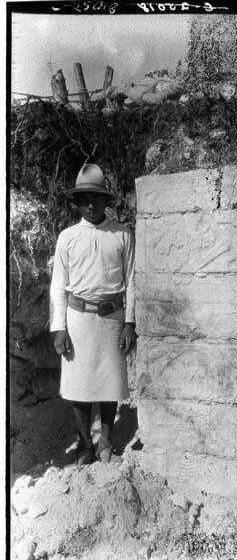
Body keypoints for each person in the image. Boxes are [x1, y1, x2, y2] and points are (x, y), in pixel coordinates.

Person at [49, 163, 137, 464]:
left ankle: (105, 441)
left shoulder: (122, 234)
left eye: (96, 198)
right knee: (79, 383)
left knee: (109, 382)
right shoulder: (67, 237)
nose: (90, 204)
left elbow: (132, 281)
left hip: (112, 318)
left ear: (106, 201)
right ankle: (85, 444)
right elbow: (58, 286)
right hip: (78, 319)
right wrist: (59, 327)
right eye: (84, 198)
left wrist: (129, 323)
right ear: (77, 201)